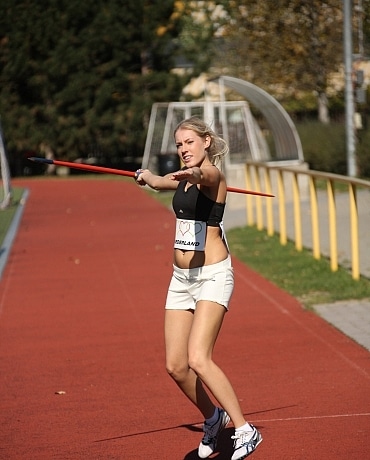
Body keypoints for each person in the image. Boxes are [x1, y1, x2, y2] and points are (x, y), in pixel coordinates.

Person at [135, 117, 262, 460]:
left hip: (212, 276)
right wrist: (148, 178)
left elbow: (203, 176)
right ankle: (213, 417)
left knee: (198, 358)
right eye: (179, 145)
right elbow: (163, 182)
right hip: (181, 280)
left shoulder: (211, 177)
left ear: (206, 142)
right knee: (176, 366)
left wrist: (191, 173)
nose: (183, 149)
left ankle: (246, 430)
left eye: (189, 142)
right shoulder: (182, 179)